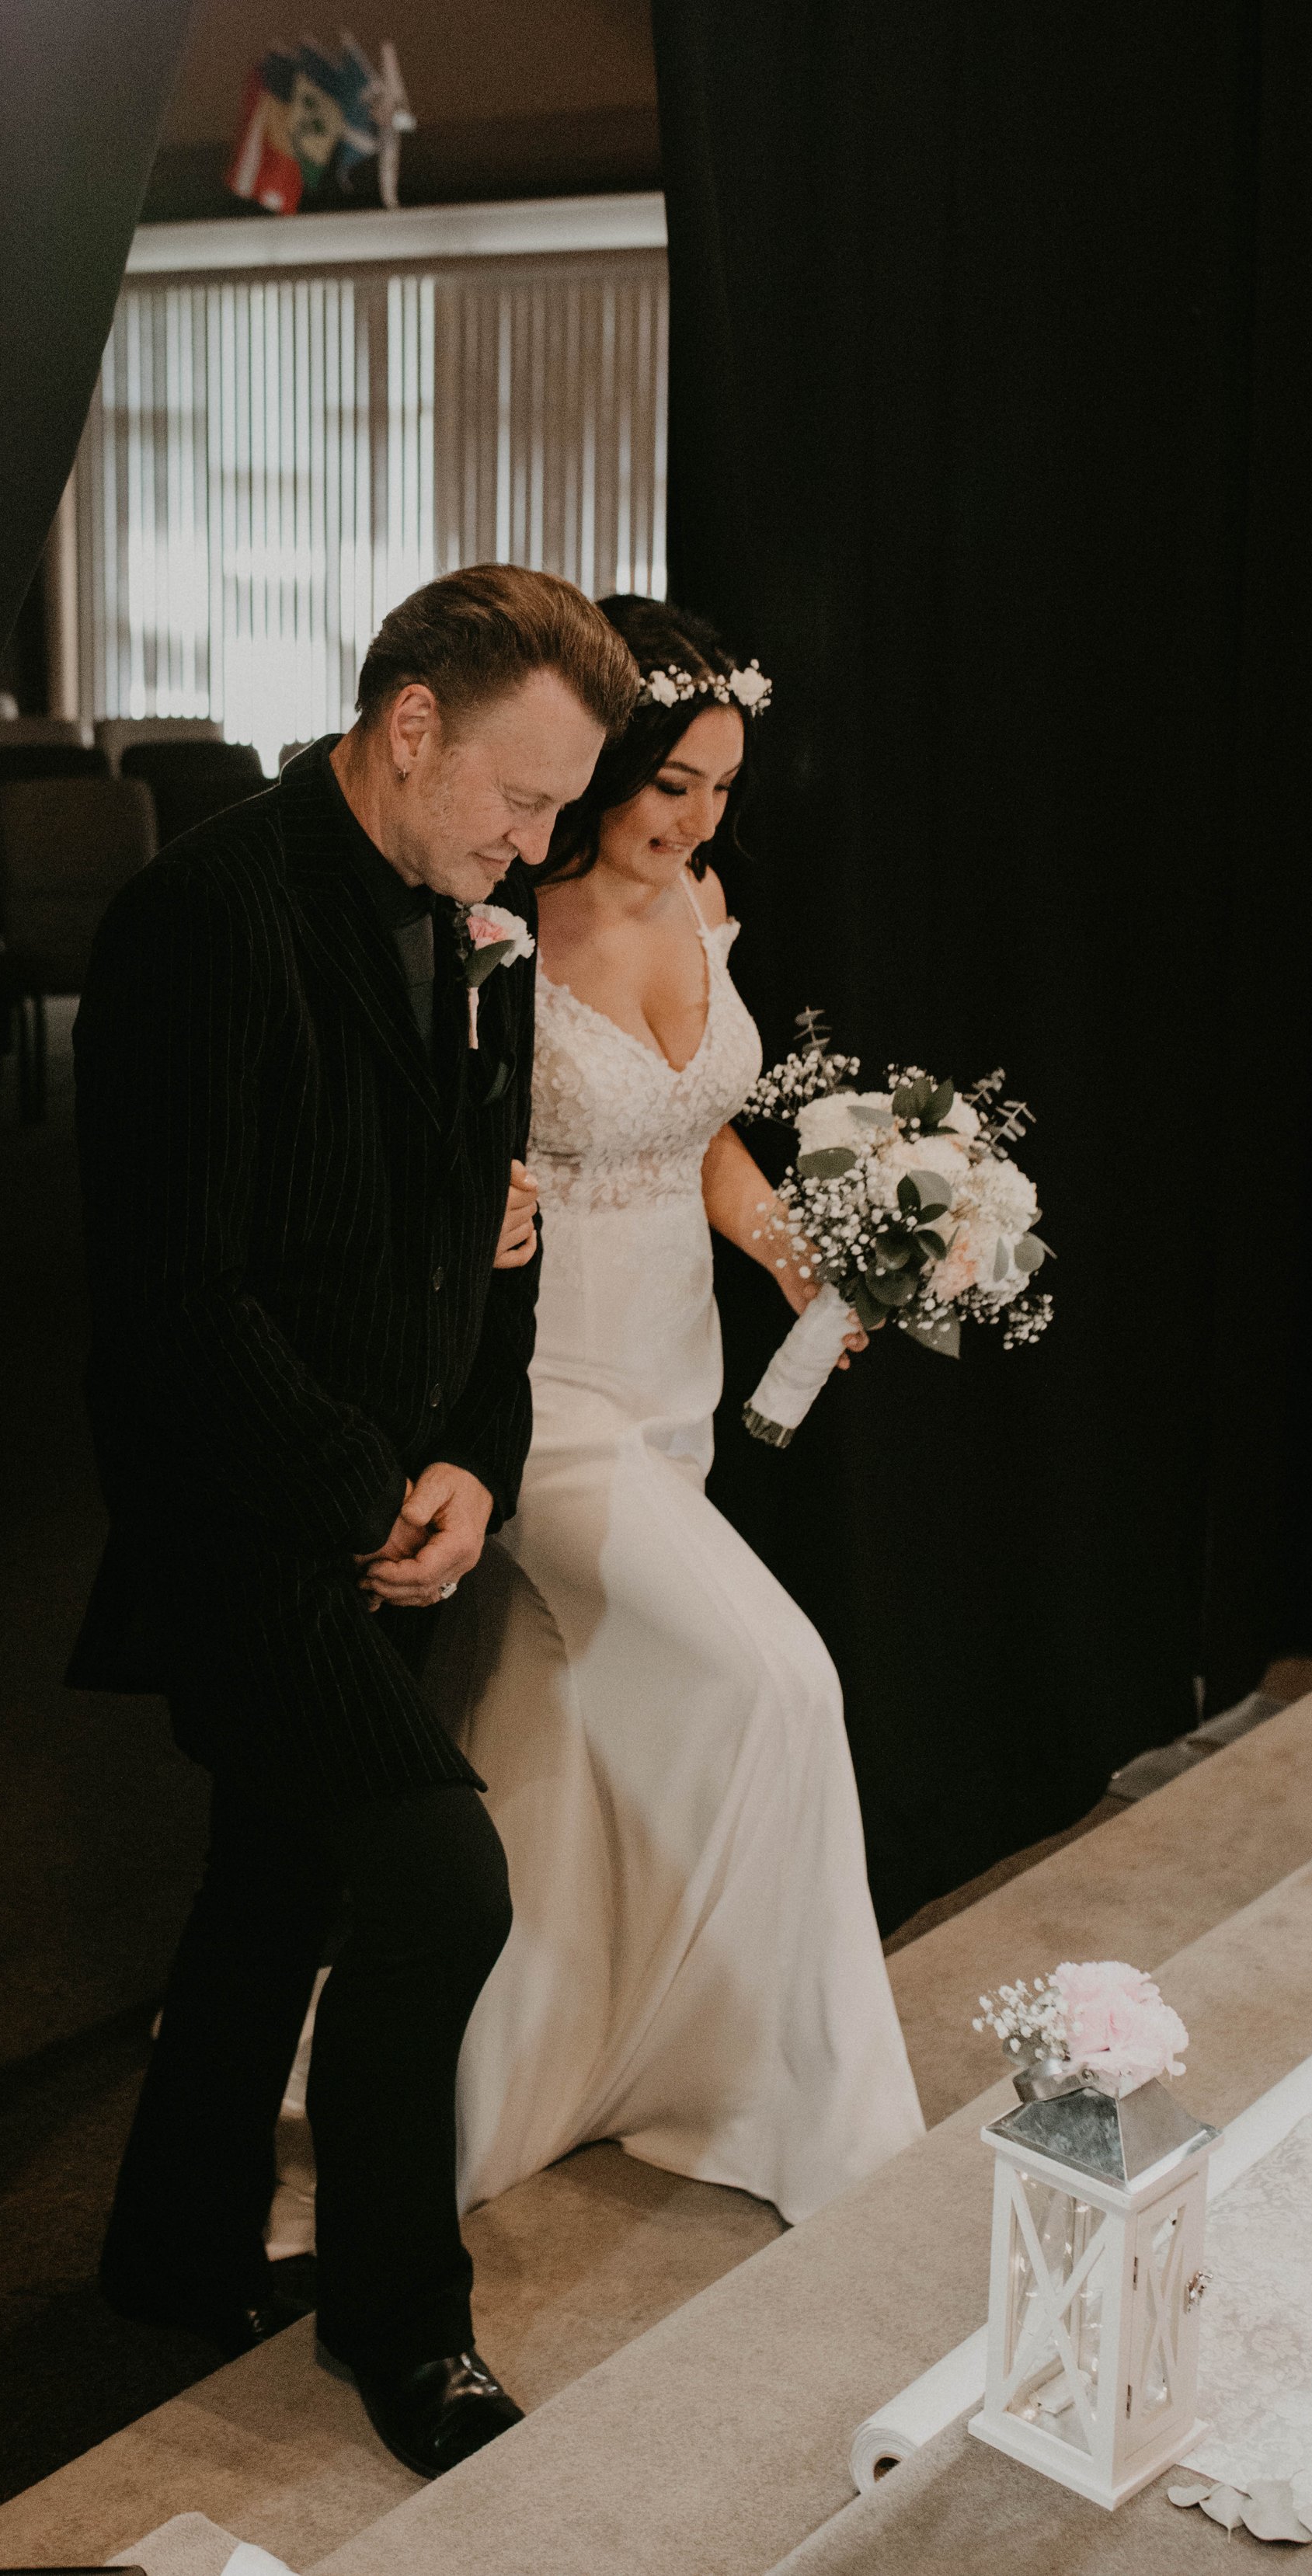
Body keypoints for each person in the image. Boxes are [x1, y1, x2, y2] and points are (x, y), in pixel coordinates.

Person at [65, 566, 639, 2478]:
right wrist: (368, 1491)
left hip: (405, 1498)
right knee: (433, 1881)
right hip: (254, 1519)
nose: (540, 843)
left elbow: (501, 1225)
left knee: (277, 1879)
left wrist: (477, 1447)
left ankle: (167, 2253)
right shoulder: (197, 921)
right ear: (412, 728)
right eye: (526, 798)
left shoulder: (472, 924)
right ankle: (406, 2324)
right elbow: (170, 1295)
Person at [438, 596, 926, 2227]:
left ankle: (513, 2076)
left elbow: (699, 1127)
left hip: (675, 1389)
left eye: (721, 787)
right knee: (780, 1679)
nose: (695, 821)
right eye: (671, 785)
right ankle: (818, 2115)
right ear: (600, 771)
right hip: (542, 1397)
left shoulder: (700, 906)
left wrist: (792, 1254)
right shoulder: (503, 921)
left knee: (557, 1742)